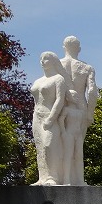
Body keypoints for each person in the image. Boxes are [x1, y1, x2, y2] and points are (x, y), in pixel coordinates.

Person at [60, 36, 97, 186]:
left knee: (62, 146)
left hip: (62, 106)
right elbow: (93, 92)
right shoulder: (87, 68)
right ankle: (77, 180)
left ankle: (63, 178)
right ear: (79, 49)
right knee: (77, 147)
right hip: (80, 108)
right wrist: (90, 113)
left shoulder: (57, 66)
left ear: (64, 48)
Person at [30, 52, 68, 185]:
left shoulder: (58, 79)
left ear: (53, 62)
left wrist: (52, 118)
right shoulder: (38, 81)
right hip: (37, 116)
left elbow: (60, 100)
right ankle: (42, 177)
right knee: (40, 146)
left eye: (46, 59)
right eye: (41, 59)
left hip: (49, 115)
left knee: (49, 145)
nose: (42, 61)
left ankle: (53, 177)